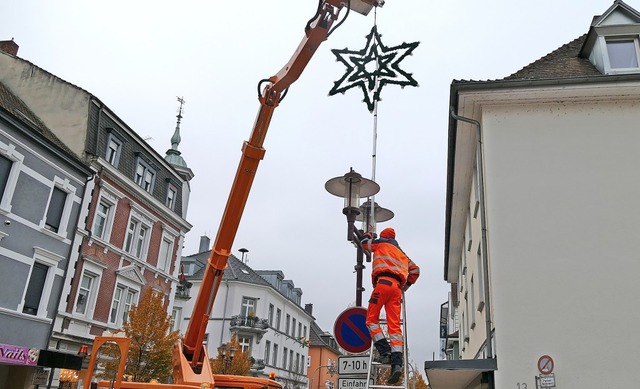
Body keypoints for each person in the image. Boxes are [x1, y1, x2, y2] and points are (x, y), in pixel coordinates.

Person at [360, 227, 420, 385]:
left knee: (371, 320)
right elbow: (415, 270)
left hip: (382, 284)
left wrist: (369, 234)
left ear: (383, 236)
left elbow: (364, 244)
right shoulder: (402, 253)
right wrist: (404, 287)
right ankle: (397, 364)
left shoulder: (380, 244)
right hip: (396, 291)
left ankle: (385, 351)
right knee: (394, 327)